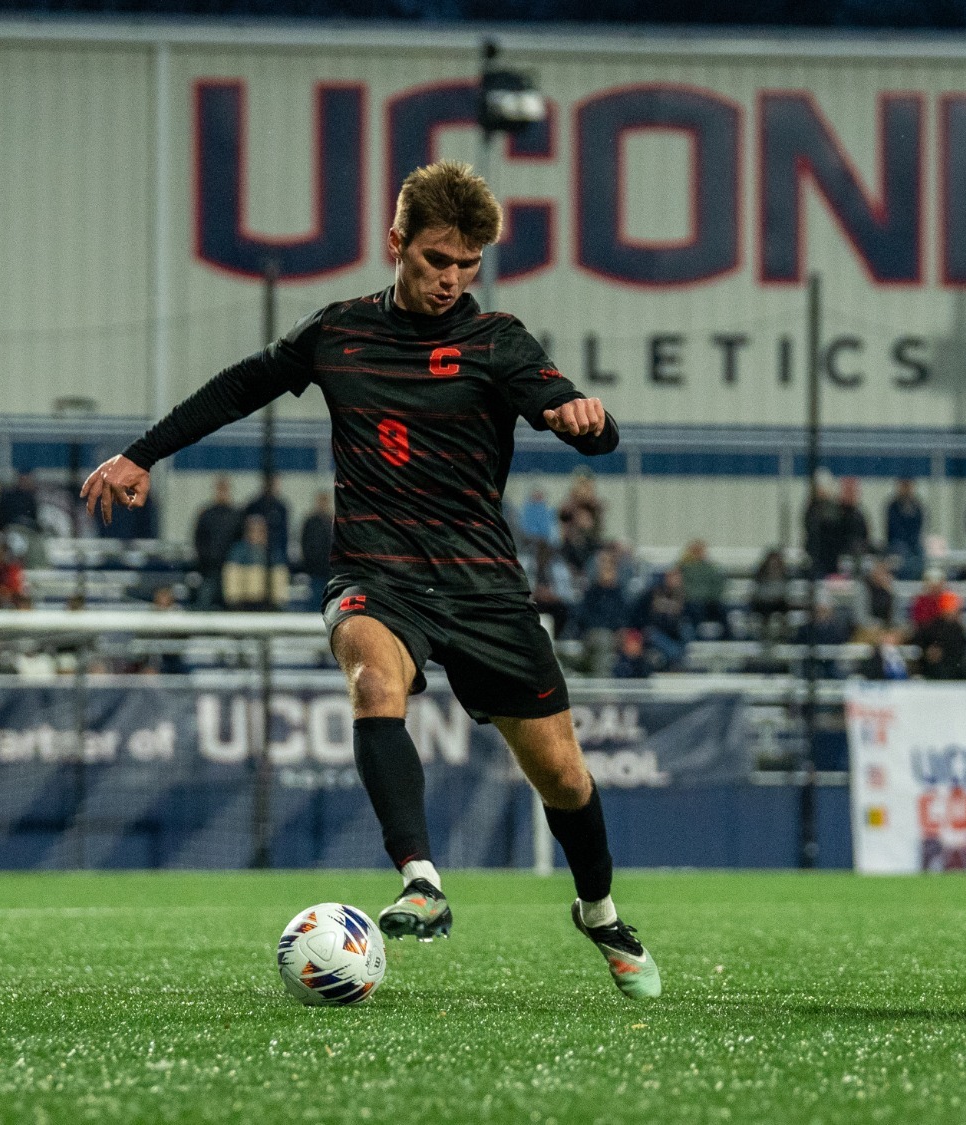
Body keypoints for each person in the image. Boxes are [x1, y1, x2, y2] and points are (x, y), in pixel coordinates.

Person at [81, 160, 658, 999]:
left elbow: (582, 424)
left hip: (483, 585)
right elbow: (243, 384)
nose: (449, 279)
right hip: (376, 569)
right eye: (434, 260)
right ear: (396, 244)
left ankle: (599, 912)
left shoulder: (497, 341)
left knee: (564, 774)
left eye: (466, 265)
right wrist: (142, 453)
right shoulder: (339, 333)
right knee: (371, 676)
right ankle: (420, 878)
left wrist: (590, 421)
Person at [191, 476, 242, 610]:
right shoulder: (206, 514)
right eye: (220, 489)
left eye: (225, 489)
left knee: (232, 607)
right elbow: (198, 540)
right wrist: (205, 560)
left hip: (231, 571)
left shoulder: (236, 515)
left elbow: (240, 541)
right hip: (210, 570)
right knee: (204, 605)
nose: (222, 493)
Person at [222, 515, 288, 610]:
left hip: (267, 603)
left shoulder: (273, 552)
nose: (257, 534)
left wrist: (278, 601)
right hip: (243, 602)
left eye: (260, 531)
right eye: (253, 530)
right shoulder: (238, 551)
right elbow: (231, 575)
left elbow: (280, 576)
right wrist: (233, 600)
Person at [675, 539, 726, 627]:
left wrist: (711, 596)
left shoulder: (710, 568)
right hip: (690, 601)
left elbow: (718, 584)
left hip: (709, 600)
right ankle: (696, 636)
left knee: (722, 610)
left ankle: (727, 638)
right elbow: (681, 585)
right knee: (695, 608)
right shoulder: (683, 567)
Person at [885, 478, 925, 577]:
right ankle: (905, 577)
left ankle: (918, 576)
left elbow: (918, 526)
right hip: (897, 542)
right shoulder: (893, 506)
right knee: (902, 552)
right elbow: (893, 529)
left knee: (921, 552)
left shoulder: (917, 506)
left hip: (913, 541)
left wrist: (913, 540)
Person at [299, 492, 334, 595]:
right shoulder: (310, 522)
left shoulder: (331, 521)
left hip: (329, 568)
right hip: (314, 568)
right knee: (315, 594)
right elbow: (304, 542)